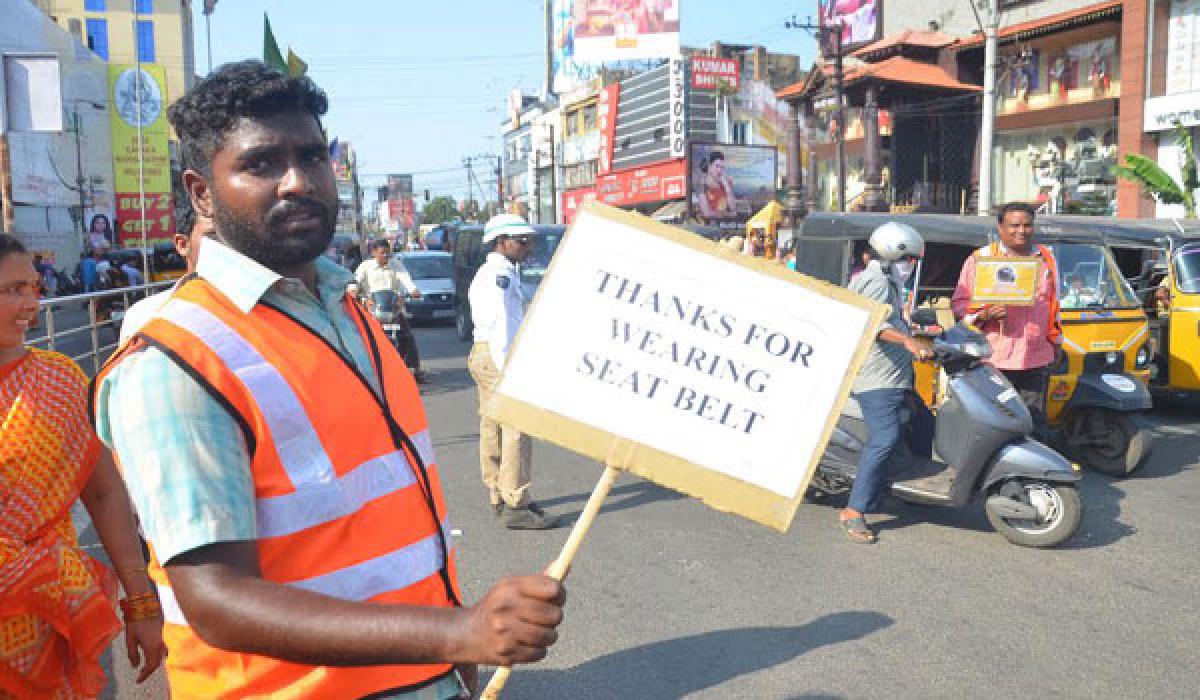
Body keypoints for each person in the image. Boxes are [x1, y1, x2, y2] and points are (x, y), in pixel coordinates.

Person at [91, 60, 564, 700]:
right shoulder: (173, 363)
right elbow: (216, 601)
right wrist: (455, 631)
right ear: (202, 193)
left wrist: (446, 651)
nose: (297, 182)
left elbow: (381, 529)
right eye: (262, 164)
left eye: (313, 157)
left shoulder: (346, 311)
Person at [0, 233, 166, 698]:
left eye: (34, 288)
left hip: (44, 615)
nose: (31, 304)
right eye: (13, 290)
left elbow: (104, 492)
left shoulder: (57, 380)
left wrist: (140, 602)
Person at [468, 213, 561, 530]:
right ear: (500, 242)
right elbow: (501, 325)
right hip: (498, 354)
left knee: (492, 425)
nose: (527, 246)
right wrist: (510, 366)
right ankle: (516, 501)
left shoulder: (496, 272)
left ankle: (497, 492)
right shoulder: (500, 277)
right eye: (521, 241)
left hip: (485, 353)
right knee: (516, 426)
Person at [841, 222, 933, 544]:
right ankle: (854, 510)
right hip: (876, 379)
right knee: (886, 438)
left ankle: (908, 485)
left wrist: (920, 333)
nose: (912, 266)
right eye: (910, 260)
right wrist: (908, 343)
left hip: (896, 377)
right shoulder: (876, 281)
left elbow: (892, 320)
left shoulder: (889, 281)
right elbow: (873, 325)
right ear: (895, 255)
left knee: (924, 422)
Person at [952, 201, 1062, 439]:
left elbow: (1054, 305)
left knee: (1034, 420)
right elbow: (959, 306)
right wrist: (984, 315)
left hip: (1035, 356)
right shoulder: (980, 259)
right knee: (996, 421)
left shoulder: (1047, 259)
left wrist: (1057, 342)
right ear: (1000, 227)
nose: (1021, 231)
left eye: (1027, 225)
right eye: (1014, 225)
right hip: (993, 358)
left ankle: (1032, 472)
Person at [119, 191, 210, 342]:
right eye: (212, 236)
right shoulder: (142, 317)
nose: (228, 246)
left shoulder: (258, 315)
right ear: (183, 245)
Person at [354, 239, 424, 380]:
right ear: (373, 253)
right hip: (372, 309)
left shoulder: (395, 264)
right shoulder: (365, 267)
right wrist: (353, 291)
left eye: (387, 252)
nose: (385, 255)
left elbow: (405, 278)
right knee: (360, 337)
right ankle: (360, 370)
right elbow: (354, 282)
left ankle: (415, 368)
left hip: (392, 308)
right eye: (382, 253)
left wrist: (413, 290)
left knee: (407, 335)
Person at [696, 151, 737, 220]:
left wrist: (727, 187)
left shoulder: (727, 183)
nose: (719, 170)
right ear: (709, 166)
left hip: (727, 225)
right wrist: (728, 214)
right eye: (717, 166)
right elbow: (707, 213)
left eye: (722, 167)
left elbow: (733, 208)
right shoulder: (701, 185)